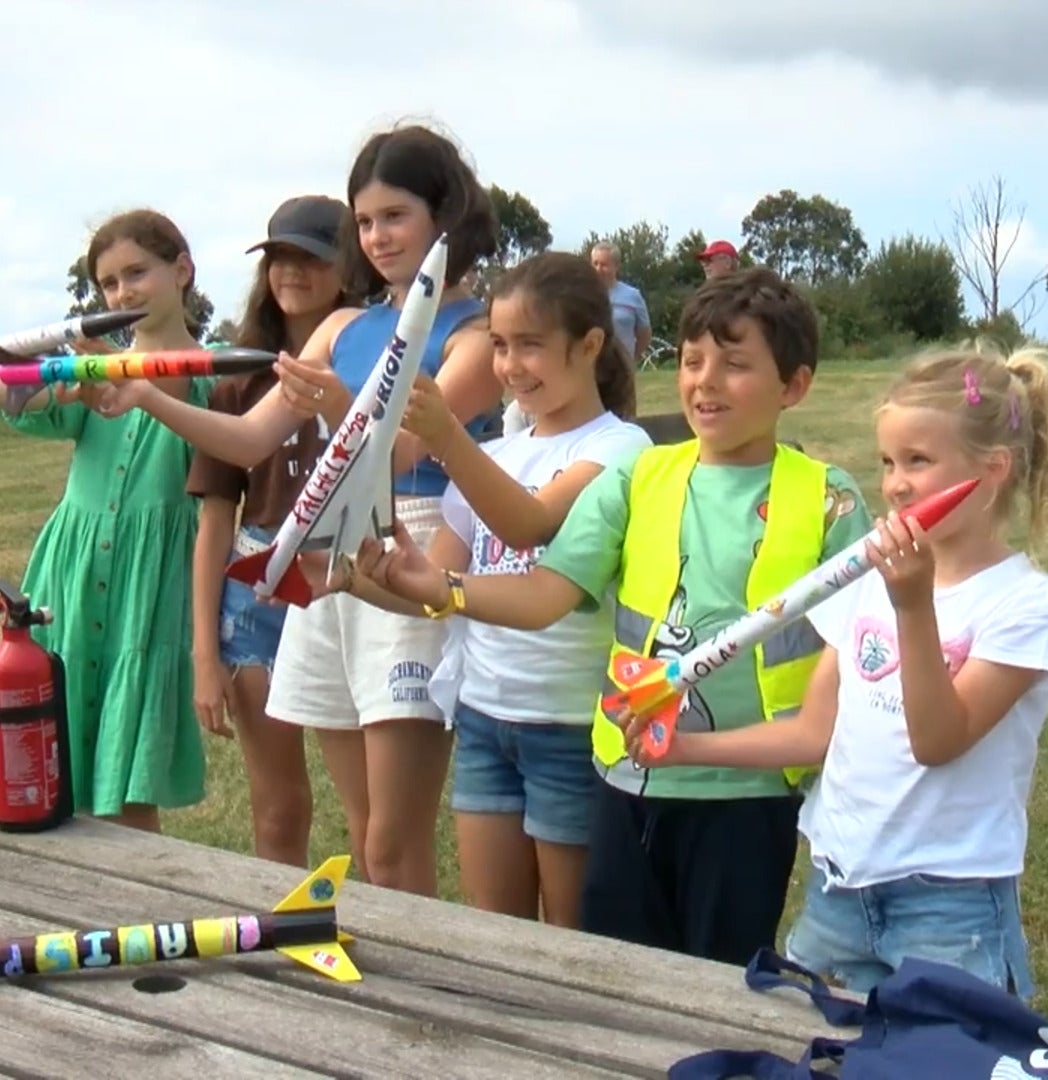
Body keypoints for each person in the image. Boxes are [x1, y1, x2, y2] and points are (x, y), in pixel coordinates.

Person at [354, 267, 872, 965]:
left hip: (747, 798)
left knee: (718, 984)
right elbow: (544, 594)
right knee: (614, 975)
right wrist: (445, 588)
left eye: (736, 365)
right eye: (692, 362)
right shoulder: (642, 477)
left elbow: (857, 665)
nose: (706, 381)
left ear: (795, 386)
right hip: (629, 781)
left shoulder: (828, 499)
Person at [92, 122, 502, 896]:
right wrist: (146, 394)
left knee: (390, 840)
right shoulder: (347, 326)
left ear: (443, 214)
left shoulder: (476, 334)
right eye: (366, 220)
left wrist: (345, 403)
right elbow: (248, 439)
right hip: (326, 564)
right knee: (359, 824)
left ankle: (411, 993)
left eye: (396, 217)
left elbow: (410, 451)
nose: (377, 237)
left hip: (409, 558)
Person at [621, 341, 1048, 1001]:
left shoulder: (1026, 607)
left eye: (919, 462)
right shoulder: (871, 580)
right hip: (840, 887)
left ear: (992, 471)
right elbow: (814, 733)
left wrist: (913, 605)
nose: (895, 484)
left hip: (948, 903)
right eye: (888, 462)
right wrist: (681, 749)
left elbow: (937, 739)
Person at [331, 251, 650, 925]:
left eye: (530, 346)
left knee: (574, 942)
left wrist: (447, 436)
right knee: (495, 931)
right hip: (482, 718)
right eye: (500, 346)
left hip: (568, 724)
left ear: (590, 345)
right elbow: (438, 584)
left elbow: (530, 526)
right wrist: (352, 579)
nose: (509, 366)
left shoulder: (621, 450)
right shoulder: (498, 454)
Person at [0, 208, 213, 831]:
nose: (123, 292)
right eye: (109, 283)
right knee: (49, 743)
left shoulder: (217, 367)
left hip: (146, 585)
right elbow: (32, 385)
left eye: (137, 272)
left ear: (182, 271)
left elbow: (189, 400)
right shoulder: (90, 369)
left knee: (126, 769)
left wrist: (112, 373)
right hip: (72, 569)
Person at [184, 195, 355, 864]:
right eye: (279, 257)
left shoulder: (371, 368)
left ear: (347, 269)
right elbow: (215, 520)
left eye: (310, 257)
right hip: (255, 602)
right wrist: (205, 654)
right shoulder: (241, 378)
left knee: (371, 811)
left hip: (348, 586)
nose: (291, 272)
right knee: (280, 805)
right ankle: (275, 932)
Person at [589, 242, 652, 364]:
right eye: (595, 263)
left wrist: (631, 358)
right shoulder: (582, 294)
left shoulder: (632, 296)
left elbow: (644, 334)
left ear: (616, 266)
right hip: (589, 368)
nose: (598, 269)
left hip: (621, 368)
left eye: (604, 265)